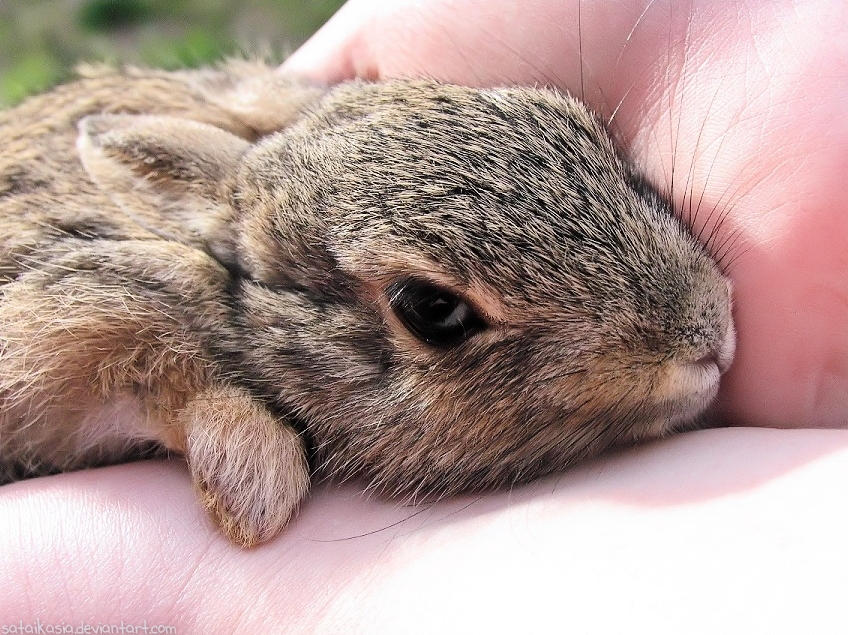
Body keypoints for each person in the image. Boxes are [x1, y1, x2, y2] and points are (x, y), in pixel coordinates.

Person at [1, 1, 846, 631]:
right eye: (439, 314)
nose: (699, 320)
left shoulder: (311, 110)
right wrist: (184, 396)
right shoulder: (179, 301)